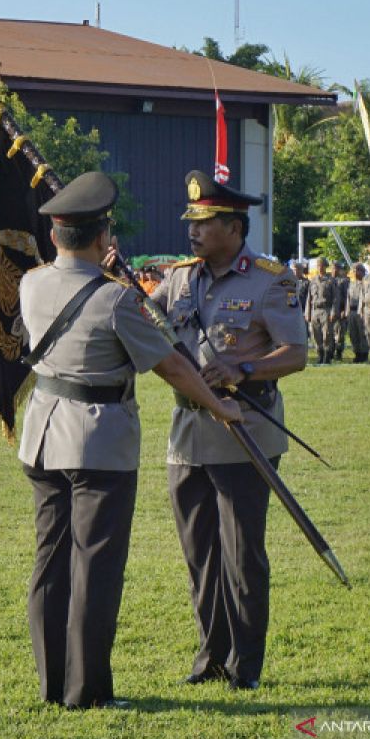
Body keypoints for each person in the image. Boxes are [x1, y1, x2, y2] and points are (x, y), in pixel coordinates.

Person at [21, 171, 243, 709]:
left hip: (44, 434)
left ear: (54, 236)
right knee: (95, 569)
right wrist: (220, 406)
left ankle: (54, 686)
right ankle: (89, 693)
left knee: (50, 564)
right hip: (97, 443)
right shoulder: (116, 301)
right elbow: (170, 366)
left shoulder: (32, 283)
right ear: (104, 240)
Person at [149, 170, 307, 692]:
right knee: (200, 557)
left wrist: (244, 371)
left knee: (242, 558)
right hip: (187, 434)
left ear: (234, 228)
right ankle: (211, 656)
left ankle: (246, 665)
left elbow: (297, 354)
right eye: (191, 222)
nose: (193, 232)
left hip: (245, 434)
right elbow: (157, 332)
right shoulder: (178, 278)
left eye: (205, 222)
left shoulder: (269, 279)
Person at [304, 257, 337, 365]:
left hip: (326, 309)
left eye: (322, 265)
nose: (320, 267)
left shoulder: (331, 280)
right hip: (315, 310)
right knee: (315, 334)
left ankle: (327, 356)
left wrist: (333, 312)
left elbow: (336, 298)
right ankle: (320, 354)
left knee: (327, 334)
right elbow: (309, 298)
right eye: (318, 266)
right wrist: (307, 313)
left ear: (325, 267)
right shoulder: (313, 280)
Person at [331, 260, 350, 361]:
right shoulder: (328, 280)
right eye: (333, 268)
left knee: (339, 334)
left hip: (340, 311)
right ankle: (330, 351)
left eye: (337, 268)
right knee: (330, 333)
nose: (335, 270)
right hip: (329, 312)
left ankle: (338, 352)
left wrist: (344, 310)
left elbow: (347, 297)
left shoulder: (344, 281)